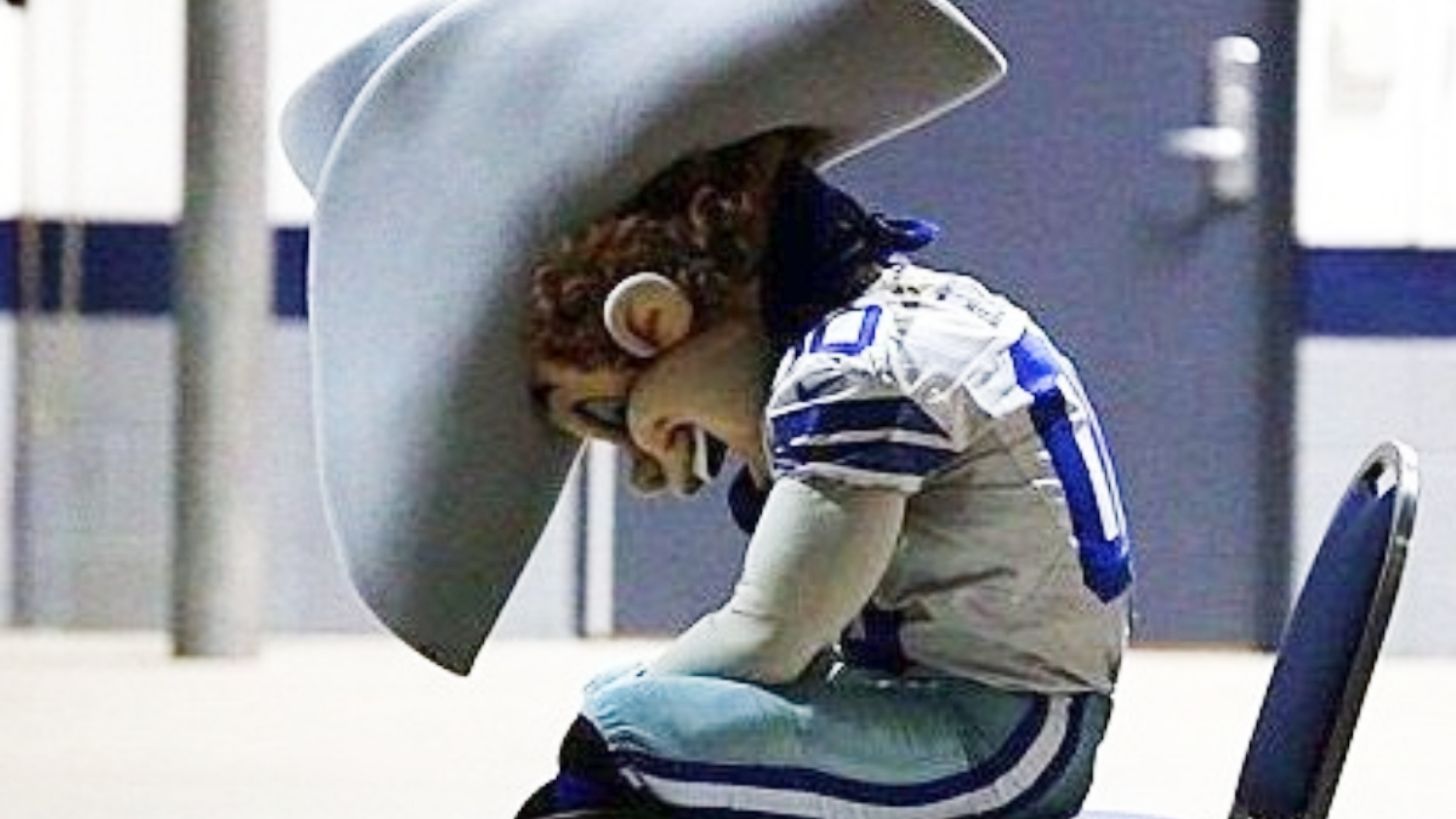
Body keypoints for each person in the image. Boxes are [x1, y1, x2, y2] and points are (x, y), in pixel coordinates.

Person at [280, 1, 1130, 817]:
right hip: (959, 709)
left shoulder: (853, 371)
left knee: (626, 731)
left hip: (992, 740)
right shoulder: (900, 321)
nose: (653, 466)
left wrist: (622, 713)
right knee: (649, 716)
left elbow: (771, 633)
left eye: (608, 416)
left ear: (651, 318)